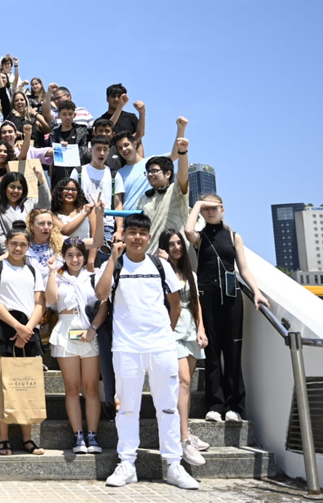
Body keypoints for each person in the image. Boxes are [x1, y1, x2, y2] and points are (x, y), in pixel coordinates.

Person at [95, 214, 200, 490]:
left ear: (149, 237)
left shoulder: (161, 265)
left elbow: (175, 305)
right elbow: (100, 293)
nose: (137, 237)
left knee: (167, 407)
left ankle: (174, 466)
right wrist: (110, 259)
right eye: (132, 232)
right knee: (127, 408)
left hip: (161, 346)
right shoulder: (116, 265)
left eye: (143, 232)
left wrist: (164, 333)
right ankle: (127, 463)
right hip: (126, 348)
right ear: (124, 235)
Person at [185, 194, 268, 425]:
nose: (210, 212)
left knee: (232, 352)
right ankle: (215, 405)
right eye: (206, 209)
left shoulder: (233, 236)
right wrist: (199, 205)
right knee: (211, 353)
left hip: (231, 299)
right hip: (207, 298)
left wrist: (257, 292)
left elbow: (244, 268)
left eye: (214, 208)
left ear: (223, 209)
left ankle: (234, 406)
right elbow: (187, 230)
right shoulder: (199, 238)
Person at [0, 222, 55, 456]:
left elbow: (39, 303)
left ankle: (28, 438)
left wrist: (28, 329)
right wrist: (17, 327)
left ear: (28, 246)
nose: (18, 248)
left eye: (23, 245)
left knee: (29, 383)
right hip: (4, 328)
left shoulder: (33, 269)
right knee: (6, 384)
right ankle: (3, 438)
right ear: (6, 244)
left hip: (29, 328)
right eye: (13, 244)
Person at [158, 228, 209, 466]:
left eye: (179, 243)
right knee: (184, 382)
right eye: (172, 244)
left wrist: (201, 329)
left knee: (185, 386)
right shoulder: (161, 271)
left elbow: (196, 303)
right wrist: (163, 264)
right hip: (172, 328)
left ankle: (184, 432)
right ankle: (183, 437)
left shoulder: (191, 274)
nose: (177, 247)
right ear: (164, 248)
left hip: (190, 328)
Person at [51, 237, 106, 455]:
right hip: (66, 329)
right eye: (70, 255)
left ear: (85, 256)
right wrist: (49, 273)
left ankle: (92, 434)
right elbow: (50, 299)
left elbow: (103, 304)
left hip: (88, 330)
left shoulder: (93, 277)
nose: (74, 259)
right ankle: (78, 435)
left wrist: (93, 328)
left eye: (79, 255)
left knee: (91, 387)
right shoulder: (57, 277)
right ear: (63, 257)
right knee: (72, 388)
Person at [70, 134, 126, 265]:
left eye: (105, 149)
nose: (102, 153)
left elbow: (118, 204)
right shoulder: (78, 171)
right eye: (98, 149)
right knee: (77, 263)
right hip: (81, 224)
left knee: (103, 265)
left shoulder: (114, 175)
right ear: (91, 150)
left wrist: (118, 230)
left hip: (106, 225)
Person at [137, 135, 190, 256]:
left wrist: (183, 152)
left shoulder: (175, 189)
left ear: (168, 174)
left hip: (177, 255)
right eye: (148, 172)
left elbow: (183, 174)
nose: (150, 175)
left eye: (154, 171)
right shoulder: (143, 199)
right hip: (151, 255)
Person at [0, 171, 50, 254]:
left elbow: (46, 205)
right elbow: (0, 236)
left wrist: (41, 180)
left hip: (36, 251)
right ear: (5, 188)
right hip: (13, 254)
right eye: (12, 187)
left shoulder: (31, 203)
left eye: (19, 188)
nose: (15, 191)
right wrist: (11, 255)